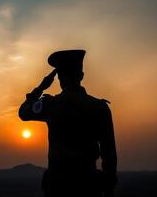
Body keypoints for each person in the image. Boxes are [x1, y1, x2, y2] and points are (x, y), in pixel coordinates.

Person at [18, 50, 117, 197]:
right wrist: (108, 190)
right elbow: (109, 154)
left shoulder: (50, 105)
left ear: (59, 78)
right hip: (88, 186)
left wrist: (41, 87)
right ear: (81, 76)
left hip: (58, 187)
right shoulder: (99, 107)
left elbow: (23, 112)